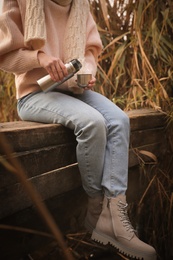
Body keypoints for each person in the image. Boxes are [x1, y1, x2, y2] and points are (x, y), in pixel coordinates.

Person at [0, 0, 156, 259]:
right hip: (33, 95)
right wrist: (40, 57)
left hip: (73, 92)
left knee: (119, 120)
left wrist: (87, 73)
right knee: (92, 123)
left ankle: (115, 215)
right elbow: (5, 54)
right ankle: (97, 214)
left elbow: (90, 52)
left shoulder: (80, 4)